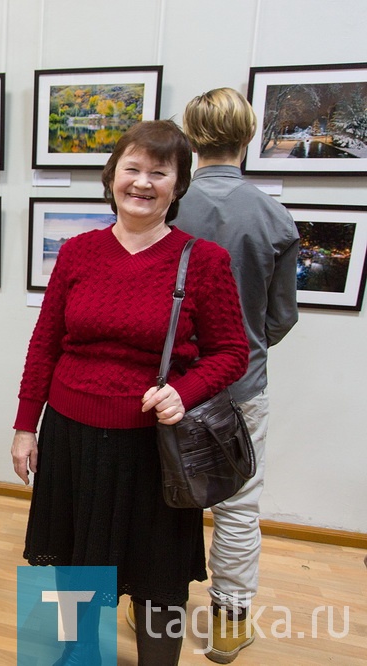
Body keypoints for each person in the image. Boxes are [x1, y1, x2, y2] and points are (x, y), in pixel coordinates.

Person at [10, 120, 249, 665]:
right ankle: (76, 659)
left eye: (158, 173)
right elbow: (45, 344)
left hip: (153, 448)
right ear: (112, 176)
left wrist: (184, 392)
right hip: (71, 438)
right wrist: (26, 426)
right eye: (132, 169)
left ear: (178, 184)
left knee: (156, 579)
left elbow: (232, 352)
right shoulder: (77, 252)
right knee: (74, 571)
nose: (143, 183)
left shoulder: (203, 260)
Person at [176, 88, 299, 664]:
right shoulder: (272, 214)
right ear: (247, 136)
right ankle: (227, 626)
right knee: (239, 506)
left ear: (190, 136)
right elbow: (281, 318)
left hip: (171, 384)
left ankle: (151, 604)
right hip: (242, 385)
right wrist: (244, 345)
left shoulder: (167, 203)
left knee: (162, 498)